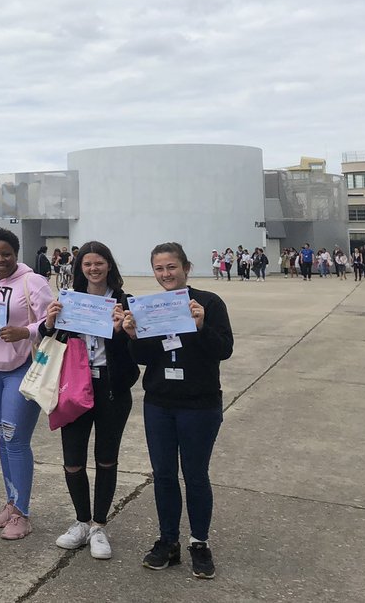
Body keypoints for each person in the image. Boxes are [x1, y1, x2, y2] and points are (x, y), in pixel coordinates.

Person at [123, 242, 233, 580]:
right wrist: (131, 334)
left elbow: (223, 350)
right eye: (159, 268)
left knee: (196, 475)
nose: (166, 274)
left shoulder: (209, 303)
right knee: (164, 475)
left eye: (171, 267)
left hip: (199, 405)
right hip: (160, 403)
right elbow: (144, 357)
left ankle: (199, 543)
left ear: (186, 267)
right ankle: (168, 541)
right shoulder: (149, 306)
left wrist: (200, 327)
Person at [43, 241, 139, 559]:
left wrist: (122, 331)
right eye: (87, 264)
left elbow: (136, 353)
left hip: (111, 387)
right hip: (74, 386)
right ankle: (81, 521)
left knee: (106, 457)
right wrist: (49, 323)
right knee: (72, 457)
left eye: (99, 263)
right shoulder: (71, 300)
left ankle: (99, 525)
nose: (93, 269)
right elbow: (52, 342)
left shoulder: (123, 302)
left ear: (109, 265)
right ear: (79, 268)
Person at [0, 227, 51, 539]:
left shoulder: (34, 281)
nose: (0, 260)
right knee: (1, 437)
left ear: (16, 253)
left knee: (15, 439)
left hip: (22, 366)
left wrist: (25, 332)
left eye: (6, 254)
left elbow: (52, 321)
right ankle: (11, 502)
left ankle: (23, 513)